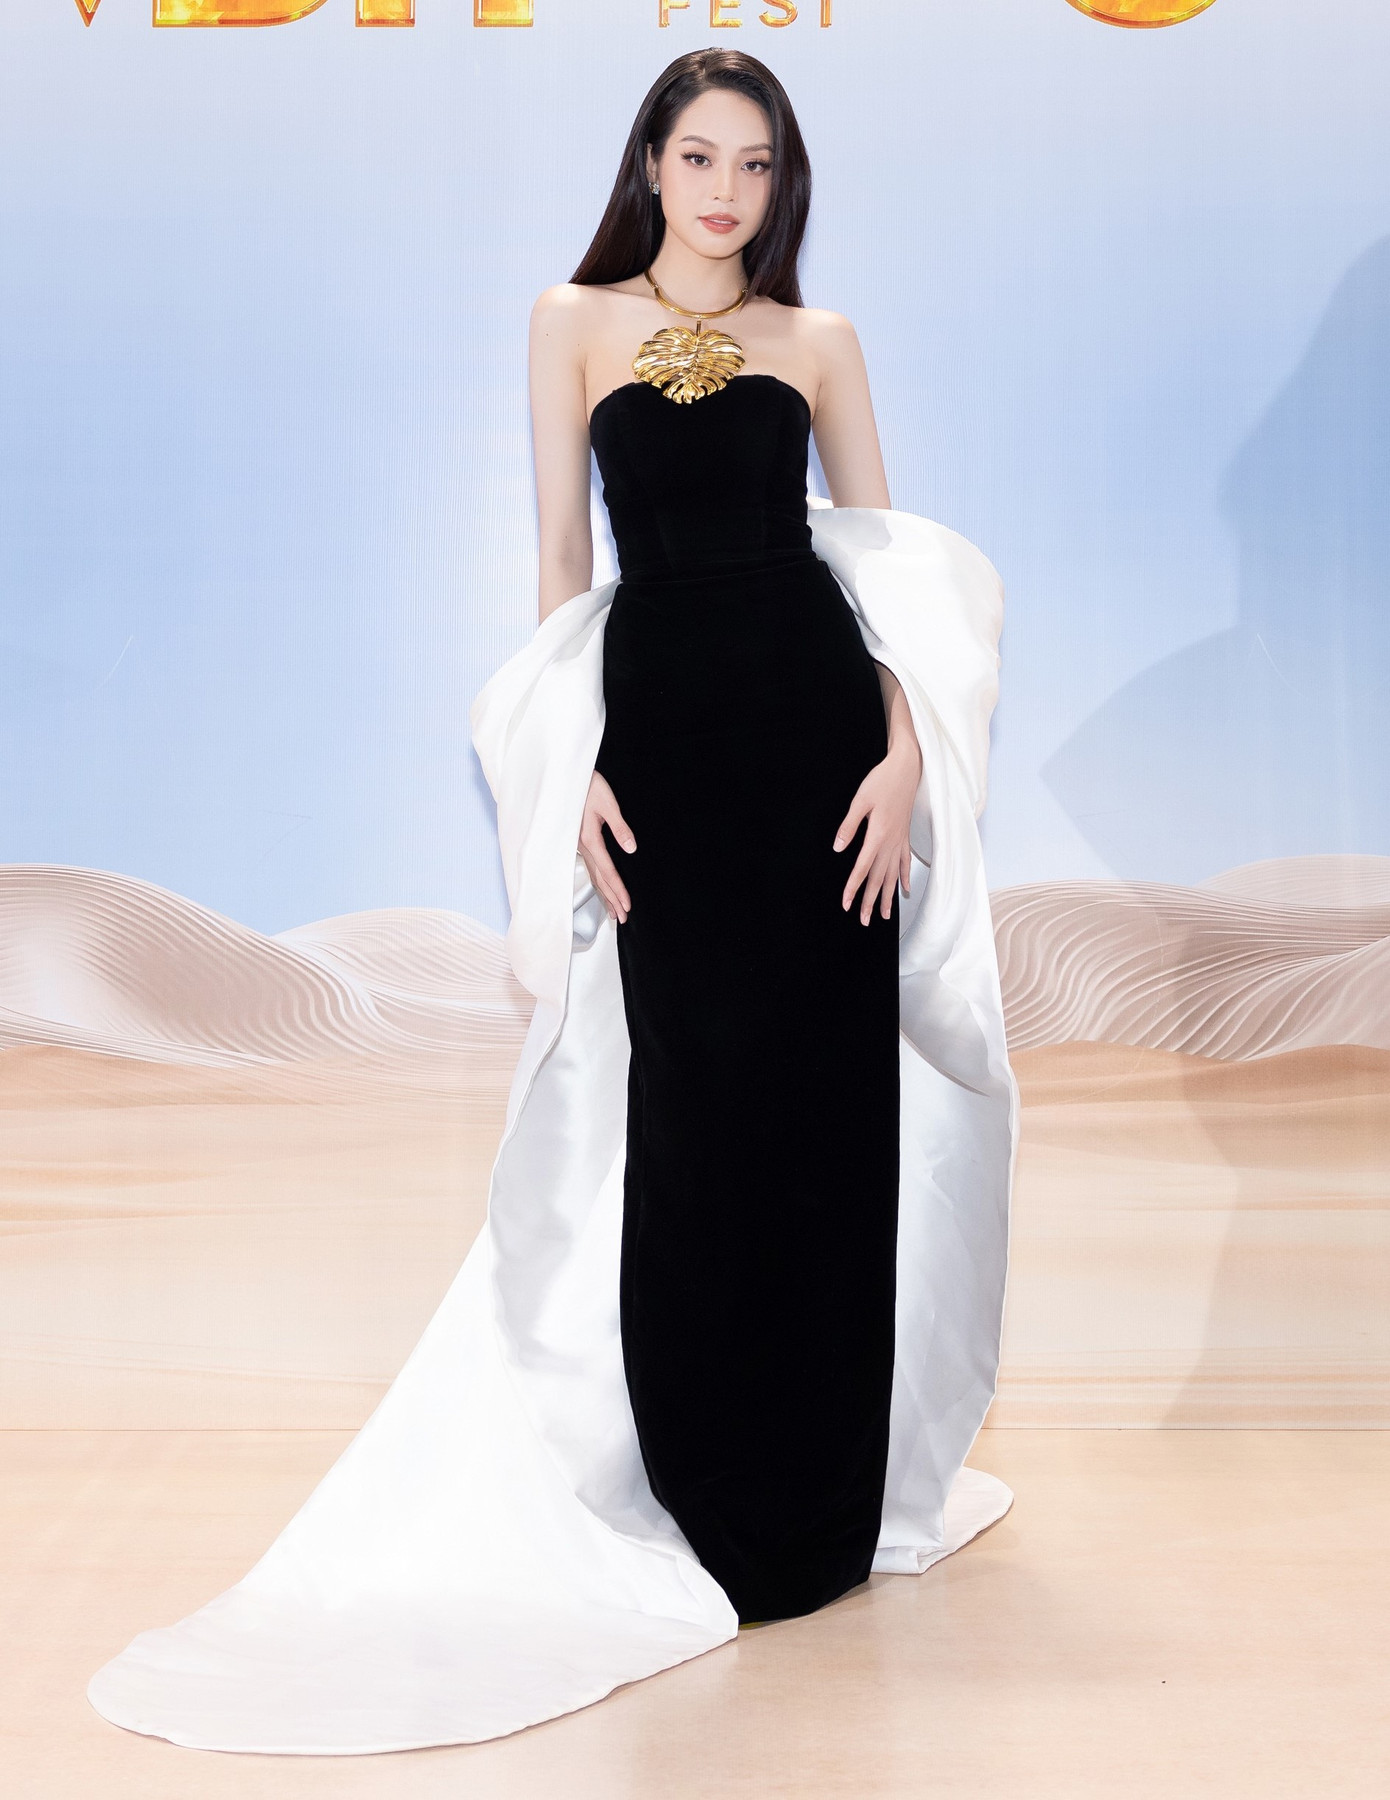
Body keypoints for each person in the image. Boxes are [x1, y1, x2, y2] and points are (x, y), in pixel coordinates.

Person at [87, 49, 1015, 1756]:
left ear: (783, 183)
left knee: (829, 1126)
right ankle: (704, 1495)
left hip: (824, 762)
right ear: (649, 165)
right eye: (697, 156)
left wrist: (901, 762)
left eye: (753, 163)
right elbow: (561, 571)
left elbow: (895, 587)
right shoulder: (566, 321)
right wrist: (562, 763)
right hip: (663, 760)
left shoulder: (819, 342)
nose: (724, 190)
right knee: (691, 1122)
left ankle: (820, 1511)